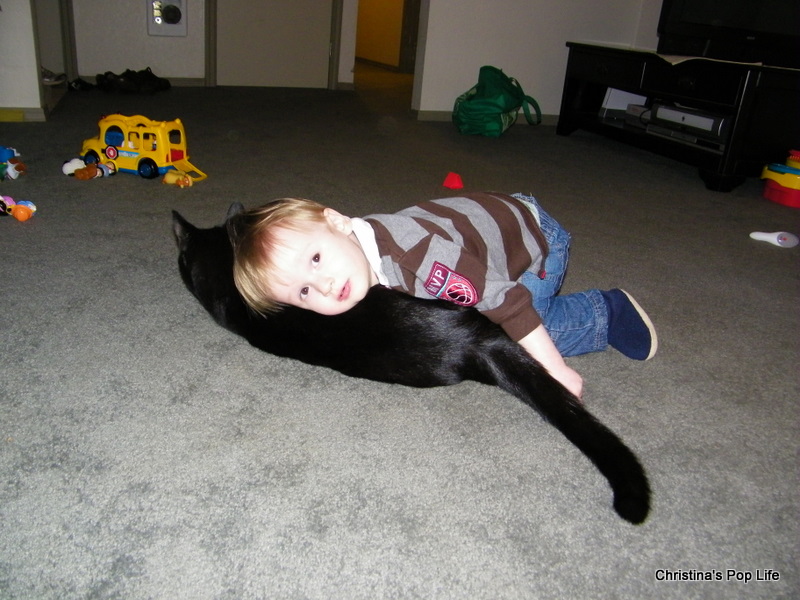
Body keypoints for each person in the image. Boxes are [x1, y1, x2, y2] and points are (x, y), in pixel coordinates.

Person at [230, 192, 657, 399]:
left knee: (515, 336)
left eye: (315, 259)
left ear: (339, 222)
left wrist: (553, 371)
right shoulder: (356, 250)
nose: (323, 286)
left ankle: (606, 312)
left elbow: (507, 302)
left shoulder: (418, 257)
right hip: (478, 230)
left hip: (532, 237)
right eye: (303, 291)